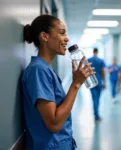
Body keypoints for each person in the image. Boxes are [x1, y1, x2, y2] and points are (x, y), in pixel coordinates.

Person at [22, 14, 95, 150]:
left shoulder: (45, 69)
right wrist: (75, 84)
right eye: (62, 33)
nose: (66, 38)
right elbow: (54, 124)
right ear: (45, 36)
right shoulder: (38, 71)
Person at [88, 48, 106, 121]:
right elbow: (103, 71)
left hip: (92, 82)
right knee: (98, 99)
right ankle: (97, 115)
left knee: (94, 99)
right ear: (97, 52)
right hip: (99, 82)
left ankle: (96, 115)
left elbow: (87, 71)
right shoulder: (101, 61)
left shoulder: (89, 60)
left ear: (93, 52)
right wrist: (104, 82)